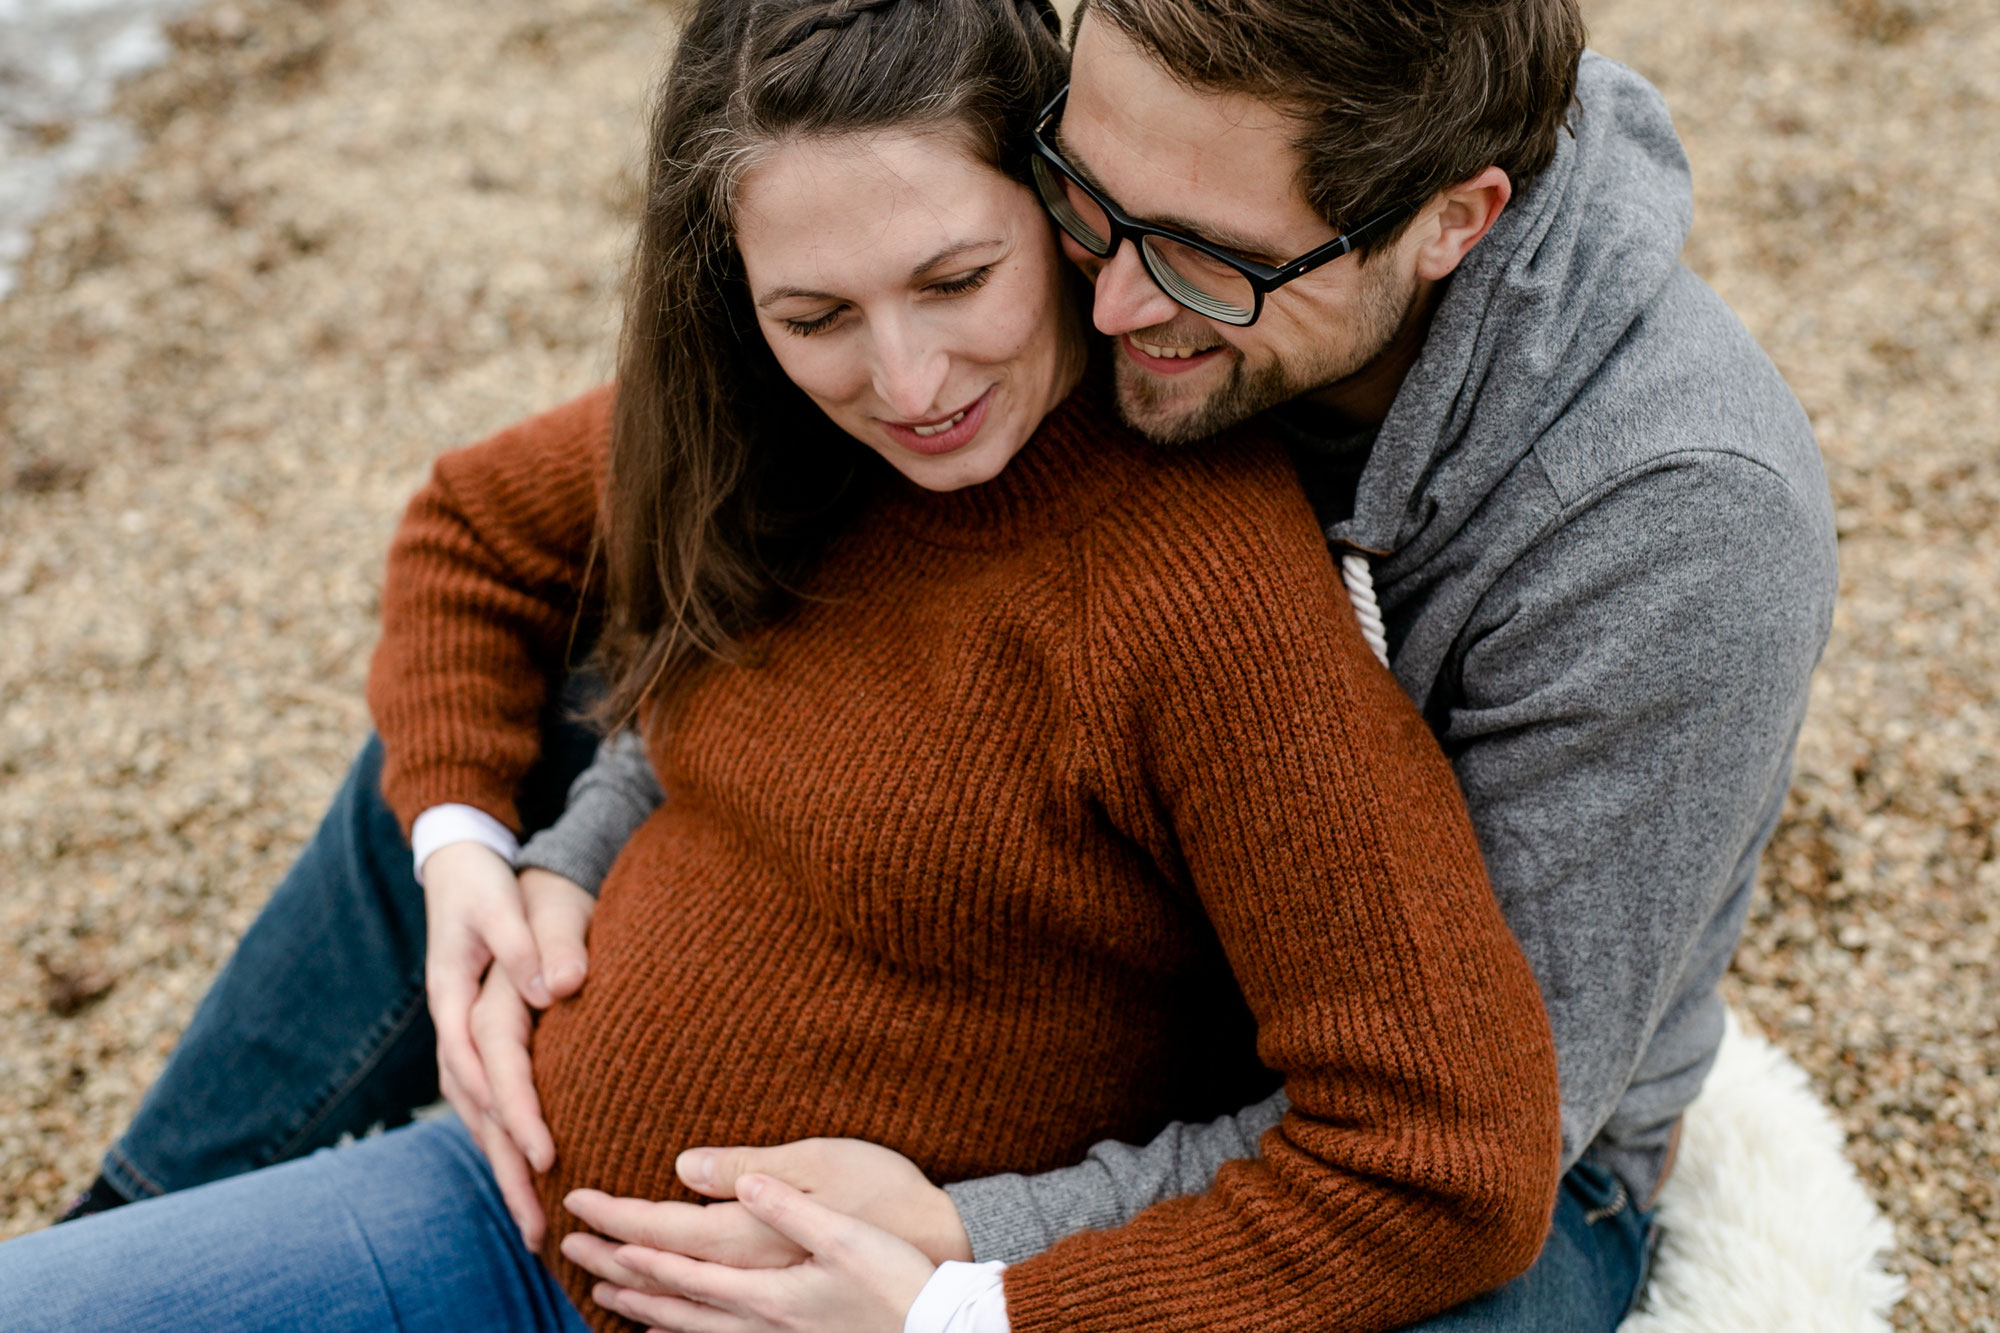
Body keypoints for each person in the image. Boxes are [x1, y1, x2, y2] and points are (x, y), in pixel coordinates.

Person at [57, 0, 1841, 1328]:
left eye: (1203, 267)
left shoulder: (1667, 516)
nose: (1119, 306)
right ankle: (131, 1210)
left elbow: (1470, 1140)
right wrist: (538, 846)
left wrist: (963, 1273)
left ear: (1453, 221)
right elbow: (598, 573)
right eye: (1088, 200)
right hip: (680, 1117)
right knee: (444, 773)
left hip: (1461, 1098)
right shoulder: (1007, 307)